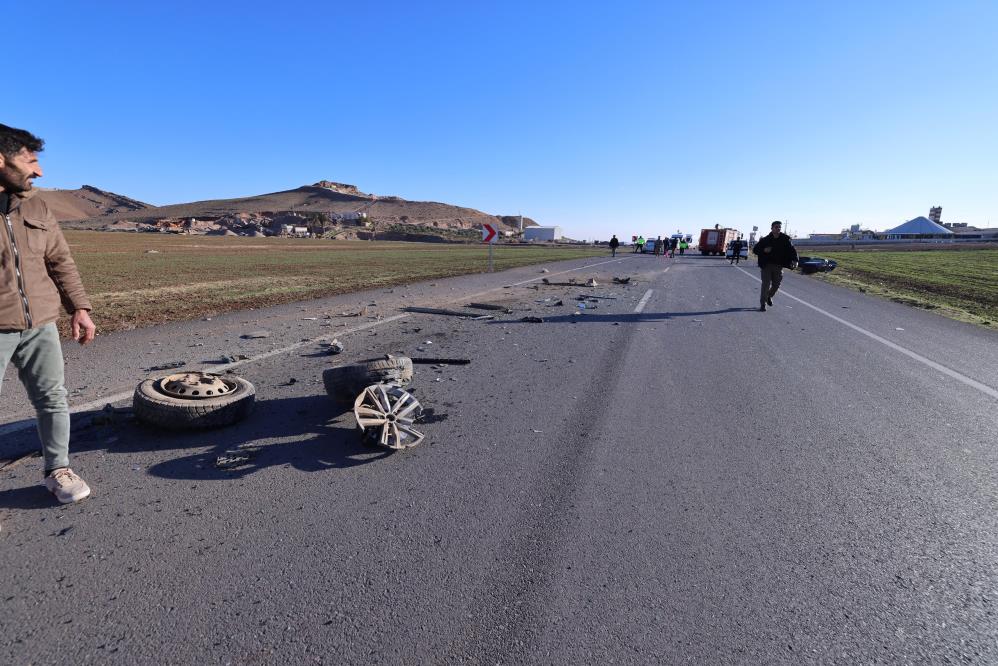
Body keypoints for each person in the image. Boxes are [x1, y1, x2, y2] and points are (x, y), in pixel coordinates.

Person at [0, 124, 96, 506]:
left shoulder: (37, 206)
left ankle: (58, 469)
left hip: (39, 323)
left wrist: (80, 308)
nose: (38, 171)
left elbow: (60, 261)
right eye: (31, 161)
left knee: (53, 398)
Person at [752, 220, 798, 311]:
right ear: (772, 228)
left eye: (779, 227)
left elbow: (792, 250)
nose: (778, 229)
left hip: (778, 265)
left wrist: (795, 260)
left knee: (776, 285)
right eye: (776, 227)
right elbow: (755, 250)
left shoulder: (785, 239)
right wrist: (764, 250)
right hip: (766, 265)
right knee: (766, 284)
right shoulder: (765, 240)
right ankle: (763, 304)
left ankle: (769, 296)